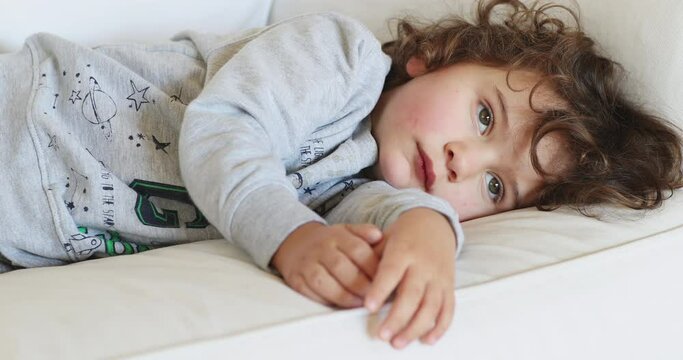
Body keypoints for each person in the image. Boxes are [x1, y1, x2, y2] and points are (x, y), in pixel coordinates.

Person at [0, 0, 681, 349]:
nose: (461, 161)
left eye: (493, 188)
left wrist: (428, 231)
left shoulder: (348, 187)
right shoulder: (337, 62)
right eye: (481, 117)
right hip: (28, 120)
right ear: (438, 57)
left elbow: (378, 211)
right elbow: (225, 129)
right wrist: (288, 238)